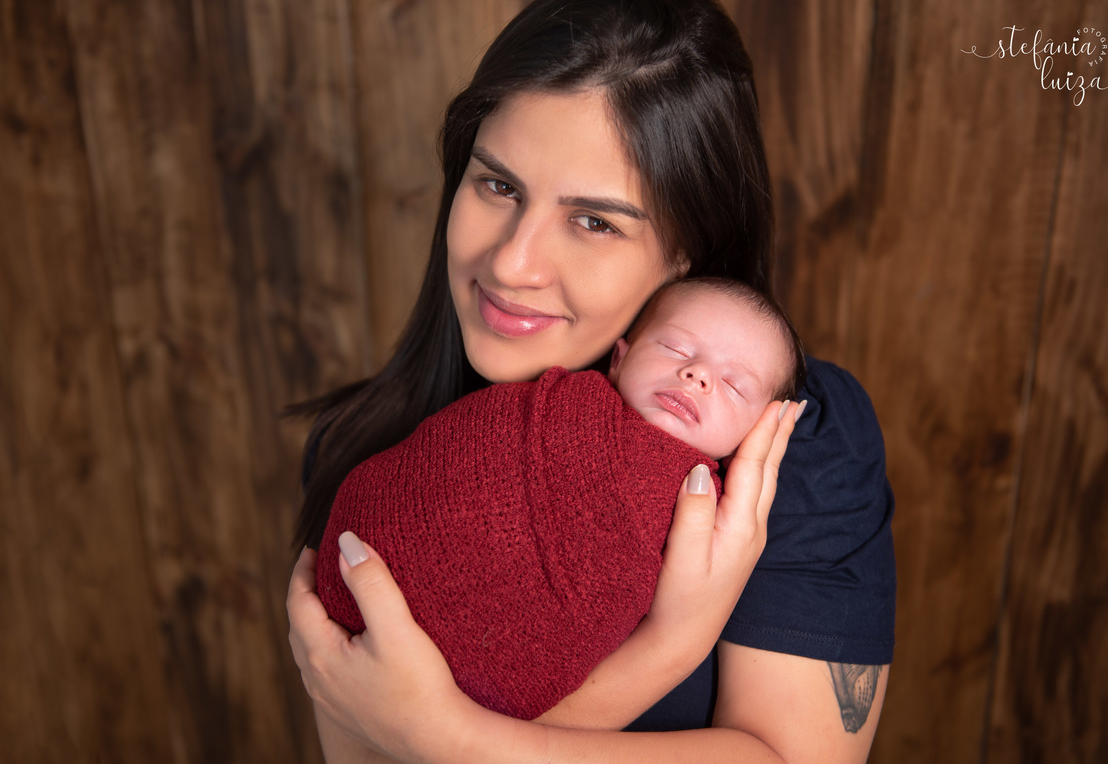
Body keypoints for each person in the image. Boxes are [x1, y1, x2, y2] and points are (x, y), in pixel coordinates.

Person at [286, 0, 895, 764]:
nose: (512, 262)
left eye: (594, 221)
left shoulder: (784, 447)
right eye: (498, 184)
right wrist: (670, 643)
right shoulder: (365, 448)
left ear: (688, 252)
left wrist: (444, 736)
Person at [315, 278, 806, 721]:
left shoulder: (721, 518)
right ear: (619, 358)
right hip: (361, 563)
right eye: (675, 348)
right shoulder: (563, 401)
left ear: (757, 435)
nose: (697, 374)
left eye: (734, 385)